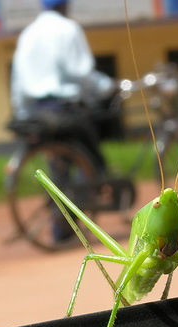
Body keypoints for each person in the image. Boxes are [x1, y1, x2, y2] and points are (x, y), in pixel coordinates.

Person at [11, 0, 114, 242]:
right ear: (65, 5)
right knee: (93, 162)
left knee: (58, 164)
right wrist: (107, 86)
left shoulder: (28, 34)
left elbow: (18, 83)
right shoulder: (68, 29)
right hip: (66, 110)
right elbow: (82, 72)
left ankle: (62, 227)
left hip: (38, 113)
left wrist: (23, 115)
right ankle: (86, 200)